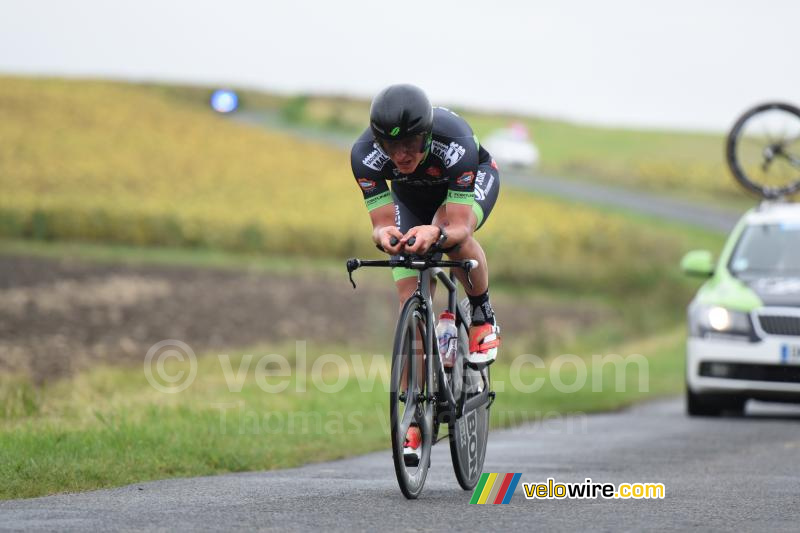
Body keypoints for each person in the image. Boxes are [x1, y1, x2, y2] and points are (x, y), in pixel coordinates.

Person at [350, 84, 501, 462]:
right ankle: (415, 416)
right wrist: (384, 235)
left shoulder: (456, 143)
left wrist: (438, 232)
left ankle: (482, 314)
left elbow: (460, 226)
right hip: (410, 199)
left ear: (427, 135)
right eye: (390, 146)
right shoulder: (365, 156)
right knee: (407, 301)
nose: (400, 155)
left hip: (467, 187)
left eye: (411, 144)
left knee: (449, 238)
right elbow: (381, 224)